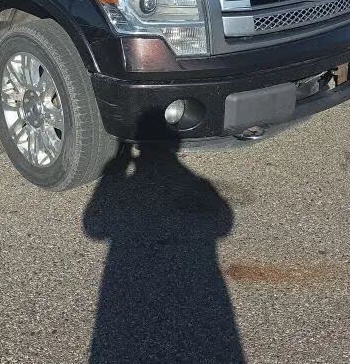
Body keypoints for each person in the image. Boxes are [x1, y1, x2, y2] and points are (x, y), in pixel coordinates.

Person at [83, 117, 246, 364]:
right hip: (197, 276)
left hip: (128, 276)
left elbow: (94, 227)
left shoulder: (182, 184)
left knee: (125, 333)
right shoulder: (196, 184)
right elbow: (224, 223)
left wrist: (116, 167)